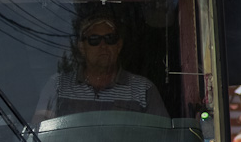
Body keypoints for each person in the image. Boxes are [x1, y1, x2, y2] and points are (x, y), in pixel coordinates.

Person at [32, 12, 168, 123]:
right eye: (94, 40)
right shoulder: (58, 85)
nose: (103, 46)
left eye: (110, 38)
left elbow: (163, 141)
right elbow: (38, 134)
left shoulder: (143, 90)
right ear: (82, 47)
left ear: (119, 45)